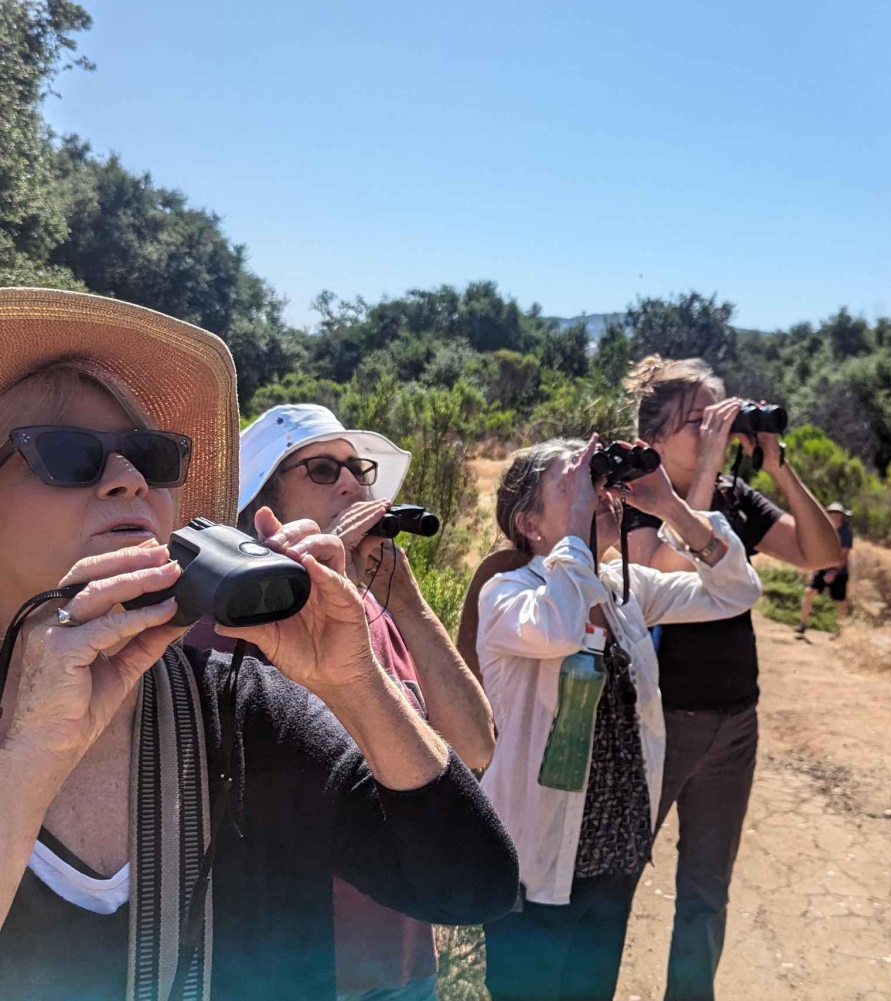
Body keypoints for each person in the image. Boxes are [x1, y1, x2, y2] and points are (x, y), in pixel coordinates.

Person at [0, 287, 519, 1000]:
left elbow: (471, 884)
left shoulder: (240, 709)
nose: (126, 479)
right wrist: (29, 758)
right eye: (68, 455)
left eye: (150, 457)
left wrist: (355, 682)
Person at [189, 403, 498, 1001]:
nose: (354, 484)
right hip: (296, 971)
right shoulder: (230, 627)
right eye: (324, 470)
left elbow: (474, 747)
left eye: (358, 469)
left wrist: (405, 600)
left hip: (405, 961)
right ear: (262, 508)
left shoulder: (377, 614)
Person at [472, 436, 762, 1001]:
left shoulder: (626, 590)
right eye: (572, 483)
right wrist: (578, 529)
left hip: (614, 856)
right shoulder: (507, 594)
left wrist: (671, 508)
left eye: (596, 483)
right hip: (537, 867)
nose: (598, 494)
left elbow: (735, 591)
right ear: (530, 522)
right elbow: (557, 628)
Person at [622, 357, 841, 1001]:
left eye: (722, 415)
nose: (715, 429)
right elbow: (661, 567)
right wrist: (707, 473)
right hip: (659, 722)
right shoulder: (631, 495)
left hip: (733, 722)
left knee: (706, 889)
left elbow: (820, 556)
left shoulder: (733, 499)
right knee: (617, 870)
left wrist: (778, 465)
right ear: (655, 438)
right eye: (698, 422)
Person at [797, 502, 854, 636]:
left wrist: (834, 571)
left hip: (839, 572)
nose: (834, 517)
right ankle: (803, 625)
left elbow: (844, 555)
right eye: (832, 514)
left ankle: (841, 630)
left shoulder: (845, 533)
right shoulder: (825, 530)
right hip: (823, 568)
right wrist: (815, 567)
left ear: (841, 516)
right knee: (809, 592)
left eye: (837, 514)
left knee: (840, 602)